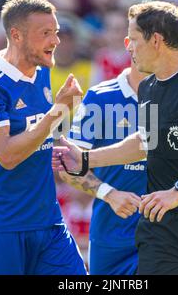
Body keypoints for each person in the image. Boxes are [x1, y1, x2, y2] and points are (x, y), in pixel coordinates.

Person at [53, 1, 178, 275]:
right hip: (161, 225)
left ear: (155, 40)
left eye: (133, 39)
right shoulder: (150, 88)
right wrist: (85, 158)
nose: (128, 47)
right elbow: (146, 142)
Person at [0, 0, 86, 275]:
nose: (55, 41)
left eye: (55, 32)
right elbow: (7, 155)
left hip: (48, 223)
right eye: (45, 34)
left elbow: (36, 133)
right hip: (2, 227)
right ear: (16, 35)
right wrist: (57, 112)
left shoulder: (41, 72)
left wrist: (61, 148)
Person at [59, 58, 148, 275]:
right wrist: (109, 194)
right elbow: (68, 166)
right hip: (112, 235)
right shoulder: (100, 97)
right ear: (130, 44)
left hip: (168, 235)